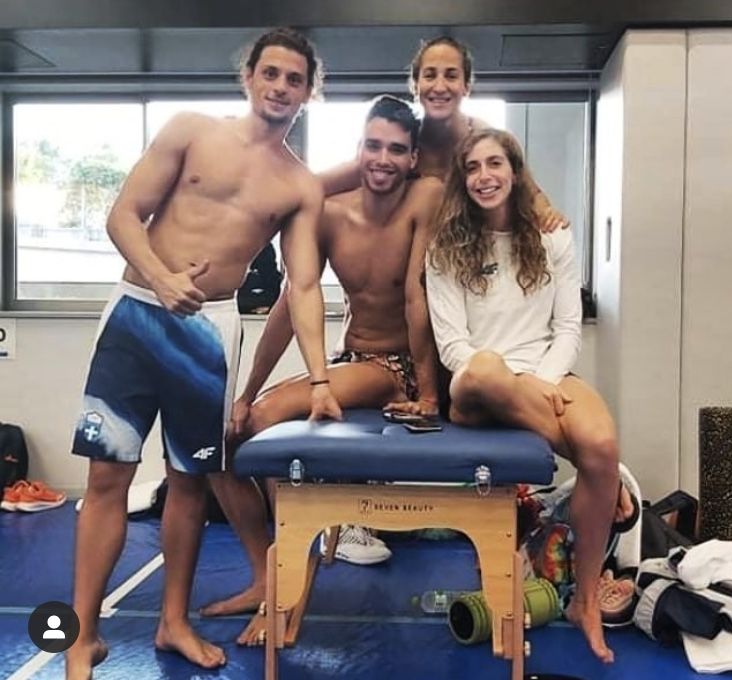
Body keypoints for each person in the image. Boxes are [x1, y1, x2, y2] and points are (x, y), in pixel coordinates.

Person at [65, 27, 342, 680]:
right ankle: (82, 637)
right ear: (248, 77)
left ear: (309, 92)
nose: (280, 87)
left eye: (294, 79)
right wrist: (162, 278)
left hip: (209, 334)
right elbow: (123, 215)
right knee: (106, 479)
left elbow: (303, 286)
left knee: (188, 484)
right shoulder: (190, 130)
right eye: (270, 73)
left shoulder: (300, 185)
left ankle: (174, 622)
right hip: (136, 315)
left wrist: (321, 379)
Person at [202, 95, 443, 639]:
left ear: (413, 158)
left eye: (396, 150)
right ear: (358, 149)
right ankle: (267, 572)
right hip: (349, 359)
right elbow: (291, 302)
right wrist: (246, 392)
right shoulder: (330, 213)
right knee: (224, 438)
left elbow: (416, 298)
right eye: (373, 146)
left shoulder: (424, 197)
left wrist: (429, 395)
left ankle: (292, 569)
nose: (383, 159)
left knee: (265, 421)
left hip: (398, 367)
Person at [425, 128, 621, 664]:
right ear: (461, 180)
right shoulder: (445, 248)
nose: (484, 176)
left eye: (495, 164)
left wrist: (543, 380)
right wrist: (518, 381)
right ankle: (601, 475)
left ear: (515, 171)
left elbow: (568, 329)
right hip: (475, 385)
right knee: (489, 369)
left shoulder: (553, 237)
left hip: (546, 376)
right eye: (472, 167)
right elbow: (453, 348)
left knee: (603, 445)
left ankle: (584, 600)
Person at [321, 36, 567, 232]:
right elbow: (318, 185)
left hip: (469, 267)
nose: (439, 87)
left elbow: (533, 196)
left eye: (451, 76)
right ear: (416, 86)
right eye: (430, 75)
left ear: (466, 86)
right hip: (410, 270)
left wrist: (550, 217)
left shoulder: (485, 140)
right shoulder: (400, 145)